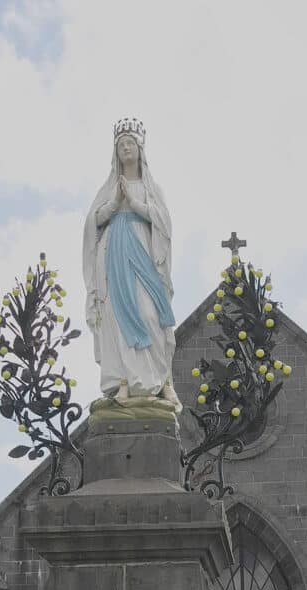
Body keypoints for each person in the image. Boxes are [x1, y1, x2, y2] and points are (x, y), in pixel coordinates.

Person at [82, 117, 181, 410]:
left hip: (143, 253)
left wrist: (136, 205)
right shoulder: (108, 188)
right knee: (117, 316)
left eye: (130, 144)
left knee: (150, 314)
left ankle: (160, 382)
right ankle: (124, 381)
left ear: (140, 150)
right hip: (114, 256)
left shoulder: (151, 188)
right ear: (116, 152)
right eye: (121, 144)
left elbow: (164, 223)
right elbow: (92, 223)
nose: (126, 148)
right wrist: (114, 203)